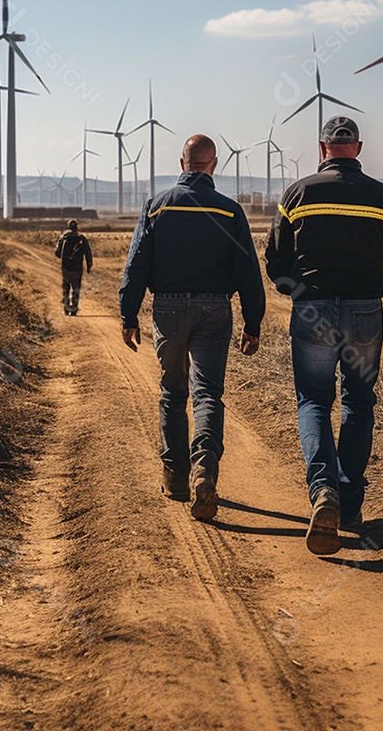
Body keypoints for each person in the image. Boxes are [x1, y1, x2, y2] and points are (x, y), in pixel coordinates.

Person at [265, 115, 383, 556]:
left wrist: (294, 291)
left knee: (314, 400)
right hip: (366, 310)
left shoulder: (298, 193)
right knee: (358, 402)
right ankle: (349, 506)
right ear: (359, 147)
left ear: (322, 147)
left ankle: (323, 493)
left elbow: (275, 257)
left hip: (312, 309)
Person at [119, 134, 265, 521]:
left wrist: (128, 314)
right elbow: (249, 271)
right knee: (208, 395)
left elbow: (136, 265)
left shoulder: (155, 208)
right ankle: (206, 470)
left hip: (167, 308)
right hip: (215, 309)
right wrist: (253, 321)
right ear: (213, 164)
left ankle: (177, 478)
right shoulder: (231, 211)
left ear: (182, 162)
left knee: (172, 392)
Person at [55, 219, 92, 315]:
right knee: (76, 288)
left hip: (66, 267)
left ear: (68, 227)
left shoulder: (64, 238)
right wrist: (89, 266)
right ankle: (74, 309)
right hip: (77, 268)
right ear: (77, 227)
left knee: (66, 288)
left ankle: (66, 308)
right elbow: (88, 253)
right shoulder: (82, 239)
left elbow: (57, 253)